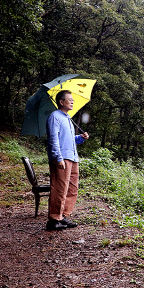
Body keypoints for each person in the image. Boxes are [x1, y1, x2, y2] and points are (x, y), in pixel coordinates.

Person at [45, 90, 89, 231]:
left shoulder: (67, 118)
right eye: (69, 99)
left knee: (72, 189)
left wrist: (81, 138)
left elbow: (69, 140)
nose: (72, 101)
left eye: (72, 99)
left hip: (72, 157)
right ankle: (54, 219)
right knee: (60, 188)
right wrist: (58, 159)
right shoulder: (55, 117)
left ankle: (63, 216)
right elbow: (53, 140)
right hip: (62, 158)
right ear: (61, 102)